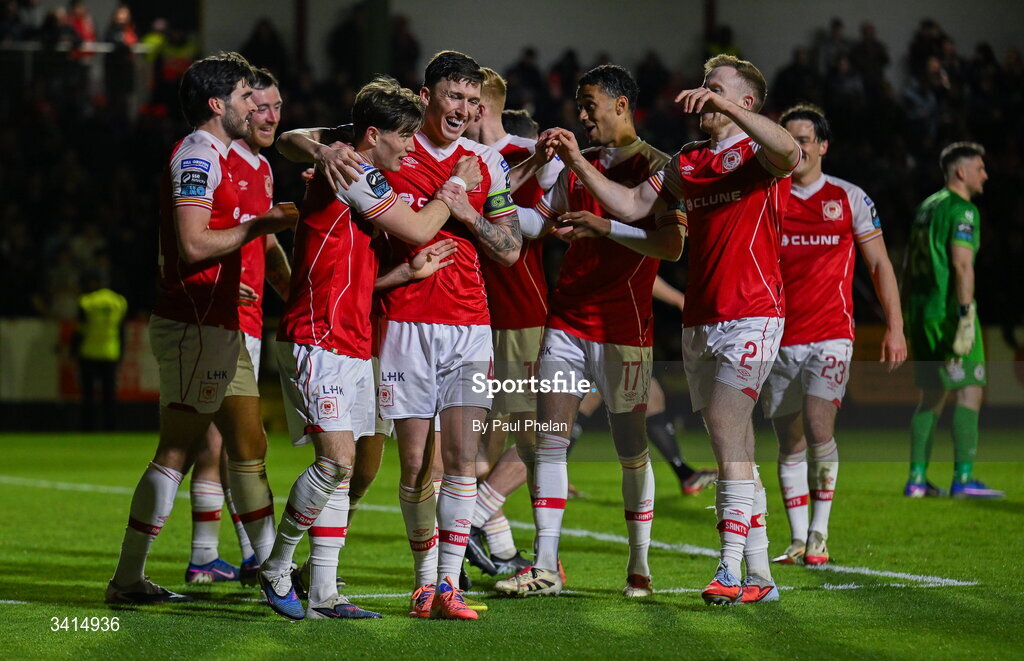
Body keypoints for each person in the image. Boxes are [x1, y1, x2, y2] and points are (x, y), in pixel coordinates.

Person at [539, 55, 801, 605]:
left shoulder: (758, 153)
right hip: (701, 319)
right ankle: (761, 577)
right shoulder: (690, 160)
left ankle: (729, 570)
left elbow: (790, 151)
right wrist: (579, 167)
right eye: (705, 87)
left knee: (728, 426)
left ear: (745, 103)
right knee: (734, 440)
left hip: (753, 310)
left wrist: (725, 104)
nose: (703, 94)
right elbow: (633, 203)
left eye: (718, 89)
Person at [263, 75, 483, 621]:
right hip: (318, 335)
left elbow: (296, 140)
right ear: (371, 135)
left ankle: (324, 593)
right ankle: (275, 567)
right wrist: (453, 187)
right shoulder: (357, 174)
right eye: (403, 137)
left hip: (352, 336)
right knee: (335, 462)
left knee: (344, 470)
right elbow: (416, 225)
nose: (411, 147)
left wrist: (403, 275)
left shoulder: (352, 158)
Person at [105, 52, 298, 605]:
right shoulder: (196, 154)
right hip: (195, 320)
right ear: (218, 105)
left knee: (247, 443)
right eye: (244, 96)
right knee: (180, 450)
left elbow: (255, 242)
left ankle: (270, 570)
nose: (254, 105)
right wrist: (258, 224)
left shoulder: (237, 158)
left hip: (219, 323)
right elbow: (192, 245)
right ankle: (127, 580)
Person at [494, 64, 682, 599]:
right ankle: (546, 565)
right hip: (567, 320)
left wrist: (607, 226)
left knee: (630, 447)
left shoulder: (659, 166)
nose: (580, 115)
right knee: (551, 443)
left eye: (589, 104)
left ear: (621, 105)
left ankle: (640, 564)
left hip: (624, 328)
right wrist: (493, 204)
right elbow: (539, 222)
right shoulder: (579, 167)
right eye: (578, 105)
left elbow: (670, 247)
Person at [763, 105, 906, 567]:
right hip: (777, 338)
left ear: (823, 146)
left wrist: (895, 326)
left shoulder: (849, 198)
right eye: (789, 138)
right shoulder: (769, 197)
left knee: (818, 422)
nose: (796, 147)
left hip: (831, 335)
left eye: (805, 139)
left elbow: (880, 264)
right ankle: (798, 539)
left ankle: (820, 534)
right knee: (789, 440)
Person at [183, 67, 293, 586]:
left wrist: (294, 297)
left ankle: (242, 556)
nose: (268, 115)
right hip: (216, 317)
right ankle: (219, 555)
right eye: (259, 105)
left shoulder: (264, 168)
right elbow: (194, 235)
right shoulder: (211, 157)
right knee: (218, 444)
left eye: (276, 107)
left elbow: (266, 245)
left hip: (249, 319)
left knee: (232, 445)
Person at [461, 68, 562, 579]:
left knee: (539, 432)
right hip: (465, 315)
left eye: (466, 100)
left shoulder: (532, 152)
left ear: (482, 106)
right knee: (477, 443)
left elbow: (547, 222)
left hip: (522, 312)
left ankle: (482, 527)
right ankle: (496, 545)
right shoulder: (452, 155)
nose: (457, 109)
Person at [905, 142, 1003, 499]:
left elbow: (907, 265)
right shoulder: (963, 211)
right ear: (961, 172)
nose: (985, 175)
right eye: (980, 167)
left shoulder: (926, 208)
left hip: (920, 314)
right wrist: (965, 315)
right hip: (949, 313)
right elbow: (962, 265)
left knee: (931, 395)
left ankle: (916, 479)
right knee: (970, 390)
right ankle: (963, 479)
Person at [73, 270, 127, 431]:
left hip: (89, 352)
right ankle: (110, 427)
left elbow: (80, 330)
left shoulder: (86, 302)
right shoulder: (118, 301)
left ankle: (88, 427)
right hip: (110, 353)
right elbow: (122, 330)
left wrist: (72, 351)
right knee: (109, 395)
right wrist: (121, 352)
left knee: (88, 395)